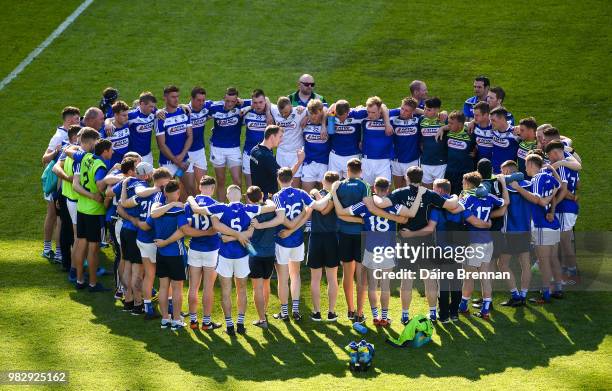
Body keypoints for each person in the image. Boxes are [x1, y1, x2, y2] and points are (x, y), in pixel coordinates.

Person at [373, 166, 459, 324]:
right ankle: (433, 313)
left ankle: (405, 315)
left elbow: (382, 203)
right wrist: (455, 196)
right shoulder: (429, 193)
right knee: (430, 279)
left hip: (406, 241)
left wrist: (372, 197)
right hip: (426, 241)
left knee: (407, 280)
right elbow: (451, 205)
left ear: (406, 177)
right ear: (422, 178)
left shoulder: (400, 192)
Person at [333, 177, 422, 326]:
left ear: (374, 188)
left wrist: (334, 194)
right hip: (388, 249)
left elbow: (340, 212)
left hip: (370, 249)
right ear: (388, 189)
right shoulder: (394, 204)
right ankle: (384, 317)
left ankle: (375, 316)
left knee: (372, 285)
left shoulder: (365, 204)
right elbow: (406, 218)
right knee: (385, 285)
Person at [187, 185, 275, 336]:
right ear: (241, 196)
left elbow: (196, 210)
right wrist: (240, 235)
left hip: (225, 256)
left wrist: (189, 198)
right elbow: (271, 207)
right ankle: (240, 324)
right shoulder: (249, 209)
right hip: (242, 256)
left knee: (226, 292)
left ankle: (229, 325)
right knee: (242, 290)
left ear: (227, 196)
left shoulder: (220, 208)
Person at [272, 167, 332, 321]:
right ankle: (296, 310)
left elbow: (282, 218)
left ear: (279, 180)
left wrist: (290, 227)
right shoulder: (301, 193)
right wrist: (332, 192)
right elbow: (319, 206)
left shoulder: (277, 197)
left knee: (282, 278)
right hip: (298, 241)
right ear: (292, 179)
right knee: (295, 275)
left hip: (282, 241)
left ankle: (284, 312)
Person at [121, 166, 173, 319]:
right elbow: (153, 218)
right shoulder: (161, 196)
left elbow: (124, 203)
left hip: (141, 238)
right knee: (165, 276)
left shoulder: (144, 192)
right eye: (167, 183)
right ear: (160, 183)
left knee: (148, 275)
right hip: (152, 239)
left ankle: (147, 307)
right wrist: (143, 224)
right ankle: (169, 307)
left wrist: (124, 185)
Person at [510, 154, 563, 303]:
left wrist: (519, 188)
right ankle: (557, 289)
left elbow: (537, 200)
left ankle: (546, 294)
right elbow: (559, 184)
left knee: (543, 261)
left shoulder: (537, 179)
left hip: (541, 225)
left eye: (526, 165)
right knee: (553, 259)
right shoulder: (548, 176)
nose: (525, 168)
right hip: (553, 224)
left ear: (532, 165)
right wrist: (552, 168)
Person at [457, 172, 508, 320]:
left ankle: (463, 305)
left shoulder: (469, 198)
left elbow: (461, 213)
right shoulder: (490, 197)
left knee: (468, 277)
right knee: (485, 276)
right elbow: (505, 203)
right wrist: (504, 185)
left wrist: (459, 198)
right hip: (487, 241)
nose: (461, 184)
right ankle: (486, 308)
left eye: (463, 182)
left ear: (468, 184)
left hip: (474, 242)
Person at [66, 136, 113, 292]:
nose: (112, 152)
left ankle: (80, 280)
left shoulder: (85, 157)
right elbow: (100, 185)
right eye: (111, 150)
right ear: (105, 152)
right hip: (94, 212)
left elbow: (71, 152)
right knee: (93, 249)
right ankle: (93, 283)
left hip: (81, 209)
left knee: (80, 244)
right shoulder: (100, 166)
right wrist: (109, 183)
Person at [143, 180, 189, 331]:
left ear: (164, 193)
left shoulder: (157, 208)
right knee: (176, 288)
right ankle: (176, 320)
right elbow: (182, 230)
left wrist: (162, 244)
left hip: (161, 254)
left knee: (163, 287)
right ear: (177, 193)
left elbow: (153, 214)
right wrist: (167, 242)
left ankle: (164, 319)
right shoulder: (180, 210)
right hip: (175, 253)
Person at [42, 106, 81, 260]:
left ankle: (58, 251)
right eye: (77, 119)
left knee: (59, 218)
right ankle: (49, 249)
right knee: (54, 216)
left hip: (60, 181)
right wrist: (56, 151)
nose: (79, 121)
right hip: (54, 182)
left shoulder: (70, 133)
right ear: (70, 119)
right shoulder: (59, 136)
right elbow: (44, 158)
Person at [335, 158, 370, 322]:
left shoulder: (340, 186)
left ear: (347, 170)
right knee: (361, 275)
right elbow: (368, 209)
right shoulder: (365, 186)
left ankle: (350, 310)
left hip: (343, 233)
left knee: (347, 274)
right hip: (361, 235)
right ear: (361, 171)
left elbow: (337, 210)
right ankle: (360, 312)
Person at [247, 186, 287, 328]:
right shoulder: (271, 210)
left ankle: (262, 319)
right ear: (262, 195)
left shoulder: (251, 213)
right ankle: (264, 312)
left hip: (255, 255)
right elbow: (272, 205)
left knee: (257, 288)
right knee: (266, 284)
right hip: (270, 254)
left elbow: (249, 235)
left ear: (248, 199)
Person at [306, 171, 341, 322]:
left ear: (322, 181)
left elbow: (320, 209)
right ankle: (331, 312)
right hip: (332, 237)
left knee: (315, 279)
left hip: (315, 237)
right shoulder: (336, 196)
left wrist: (315, 193)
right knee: (332, 278)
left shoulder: (314, 194)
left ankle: (316, 312)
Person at [498, 160, 532, 307]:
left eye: (502, 171)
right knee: (525, 264)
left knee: (502, 264)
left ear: (507, 172)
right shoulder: (528, 185)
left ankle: (515, 295)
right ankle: (523, 295)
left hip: (511, 231)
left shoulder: (505, 186)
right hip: (525, 230)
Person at [208, 87, 251, 201]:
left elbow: (262, 100)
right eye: (227, 101)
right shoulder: (214, 107)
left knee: (237, 181)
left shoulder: (241, 106)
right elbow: (197, 106)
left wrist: (245, 104)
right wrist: (185, 106)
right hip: (217, 148)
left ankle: (236, 207)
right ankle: (221, 208)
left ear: (237, 100)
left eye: (233, 101)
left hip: (234, 148)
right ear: (224, 98)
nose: (230, 104)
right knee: (221, 180)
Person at [546, 141, 580, 283]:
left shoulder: (561, 167)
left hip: (565, 208)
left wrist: (553, 206)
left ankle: (573, 273)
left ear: (555, 153)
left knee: (565, 242)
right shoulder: (570, 165)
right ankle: (567, 268)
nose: (550, 158)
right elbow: (578, 185)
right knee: (563, 241)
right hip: (569, 207)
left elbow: (563, 189)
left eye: (549, 155)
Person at [155, 85, 194, 196]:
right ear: (165, 98)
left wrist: (182, 156)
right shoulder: (160, 118)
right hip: (167, 163)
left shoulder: (184, 112)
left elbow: (190, 136)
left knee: (191, 190)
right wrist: (177, 161)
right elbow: (161, 145)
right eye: (173, 97)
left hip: (184, 159)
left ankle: (189, 213)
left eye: (177, 96)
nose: (176, 99)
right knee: (167, 194)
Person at [52, 125, 81, 270]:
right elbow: (56, 168)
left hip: (72, 195)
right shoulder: (69, 150)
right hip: (68, 195)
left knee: (73, 231)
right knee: (68, 230)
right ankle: (68, 264)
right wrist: (68, 178)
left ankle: (75, 264)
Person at [250, 125, 304, 199]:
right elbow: (286, 177)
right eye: (280, 137)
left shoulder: (254, 150)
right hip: (267, 200)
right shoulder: (266, 156)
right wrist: (299, 161)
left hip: (258, 196)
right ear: (272, 137)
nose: (281, 140)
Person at [270, 96, 308, 188]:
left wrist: (307, 116)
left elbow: (322, 108)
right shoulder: (274, 110)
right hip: (281, 153)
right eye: (281, 113)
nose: (284, 115)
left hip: (296, 154)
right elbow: (266, 100)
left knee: (295, 186)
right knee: (282, 185)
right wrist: (268, 113)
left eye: (286, 112)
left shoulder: (300, 111)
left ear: (291, 106)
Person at [326, 100, 367, 178]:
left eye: (343, 117)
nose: (341, 120)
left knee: (353, 184)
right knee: (332, 183)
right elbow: (331, 132)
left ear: (349, 111)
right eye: (338, 117)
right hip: (335, 156)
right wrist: (331, 114)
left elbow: (379, 107)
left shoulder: (357, 114)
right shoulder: (331, 114)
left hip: (353, 155)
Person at [360, 96, 394, 185]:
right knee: (367, 189)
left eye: (373, 112)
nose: (370, 115)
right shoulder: (363, 115)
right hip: (367, 160)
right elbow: (335, 107)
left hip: (384, 160)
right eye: (368, 112)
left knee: (385, 189)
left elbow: (413, 109)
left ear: (380, 110)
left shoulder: (391, 115)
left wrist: (387, 123)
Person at [242, 89, 272, 188]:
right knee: (250, 186)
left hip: (266, 154)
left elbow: (268, 99)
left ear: (265, 102)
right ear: (252, 103)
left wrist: (267, 112)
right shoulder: (247, 113)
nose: (258, 105)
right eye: (255, 103)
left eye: (261, 102)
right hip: (248, 154)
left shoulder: (272, 113)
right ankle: (250, 204)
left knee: (266, 185)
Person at [390, 97, 421, 188]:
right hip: (396, 159)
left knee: (412, 189)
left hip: (413, 159)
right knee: (398, 189)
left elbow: (433, 115)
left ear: (413, 111)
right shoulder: (393, 118)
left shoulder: (418, 119)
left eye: (407, 110)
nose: (403, 112)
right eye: (402, 108)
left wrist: (420, 111)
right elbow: (382, 108)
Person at [301, 99, 330, 193]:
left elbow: (332, 108)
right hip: (308, 163)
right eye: (310, 114)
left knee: (324, 195)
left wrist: (323, 124)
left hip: (324, 163)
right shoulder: (304, 122)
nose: (313, 117)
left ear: (321, 112)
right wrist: (306, 116)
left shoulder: (330, 122)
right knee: (307, 195)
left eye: (315, 114)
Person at [187, 86, 213, 189]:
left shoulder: (207, 107)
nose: (201, 103)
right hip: (185, 153)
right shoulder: (183, 110)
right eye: (198, 100)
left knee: (203, 185)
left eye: (203, 100)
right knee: (186, 186)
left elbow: (227, 103)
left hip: (199, 152)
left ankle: (200, 204)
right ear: (192, 99)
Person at [444, 111, 476, 195]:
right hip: (450, 170)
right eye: (448, 122)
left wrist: (476, 151)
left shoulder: (470, 133)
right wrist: (442, 128)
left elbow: (478, 145)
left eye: (451, 123)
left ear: (461, 124)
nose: (449, 125)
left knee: (464, 194)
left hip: (465, 171)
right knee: (449, 194)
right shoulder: (447, 133)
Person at [420, 97, 447, 187]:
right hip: (425, 162)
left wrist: (443, 127)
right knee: (425, 191)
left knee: (440, 192)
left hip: (440, 163)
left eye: (428, 110)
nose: (425, 111)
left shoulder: (444, 120)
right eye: (424, 108)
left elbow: (458, 124)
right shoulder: (421, 120)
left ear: (436, 110)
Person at [127, 92, 158, 166]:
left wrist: (181, 105)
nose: (152, 109)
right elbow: (114, 119)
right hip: (134, 157)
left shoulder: (153, 112)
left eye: (153, 107)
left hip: (148, 154)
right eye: (150, 106)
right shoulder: (132, 115)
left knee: (149, 176)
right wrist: (108, 122)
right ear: (142, 104)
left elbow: (168, 110)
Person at [490, 107, 520, 174]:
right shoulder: (492, 130)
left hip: (508, 174)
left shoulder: (515, 132)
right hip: (493, 172)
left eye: (493, 120)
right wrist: (473, 122)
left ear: (502, 119)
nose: (491, 123)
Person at [102, 100, 131, 167]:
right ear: (115, 115)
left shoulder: (126, 124)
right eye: (124, 115)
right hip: (111, 166)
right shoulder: (107, 129)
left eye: (127, 115)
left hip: (126, 164)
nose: (127, 118)